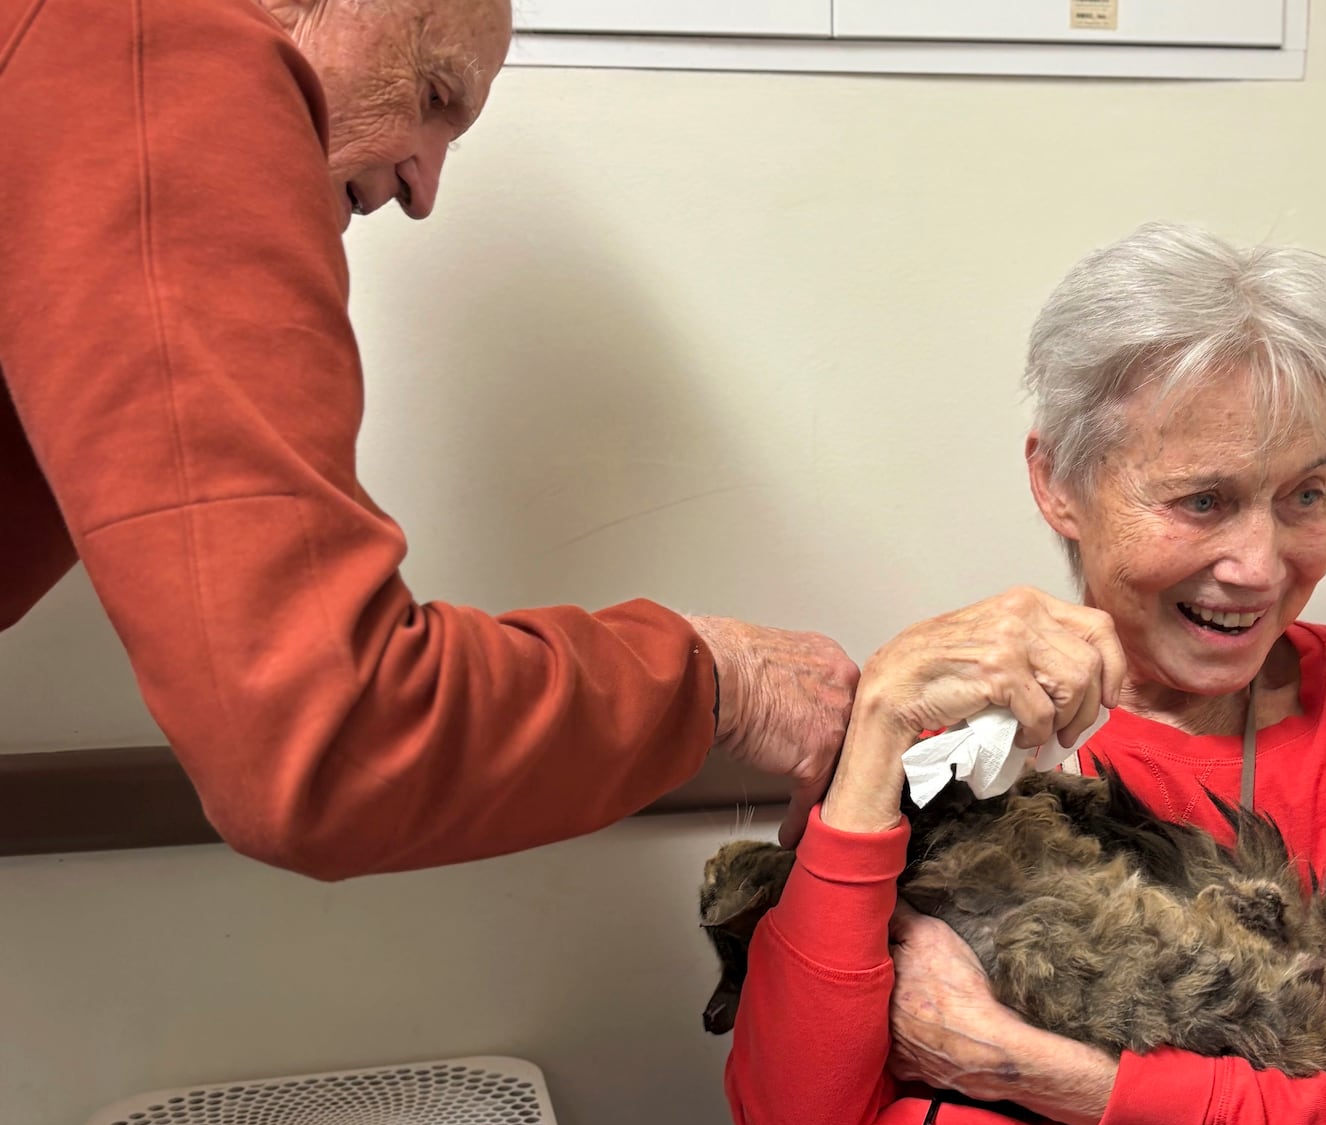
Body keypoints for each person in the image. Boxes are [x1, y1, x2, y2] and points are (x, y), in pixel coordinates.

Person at [677, 223, 1326, 1125]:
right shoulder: (949, 711)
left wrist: (1028, 1067)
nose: (1260, 567)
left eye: (1304, 494)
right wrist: (872, 741)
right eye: (1203, 501)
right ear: (1058, 484)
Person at [0, 0, 855, 879]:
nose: (423, 187)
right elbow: (325, 746)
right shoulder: (144, 38)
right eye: (434, 91)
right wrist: (715, 679)